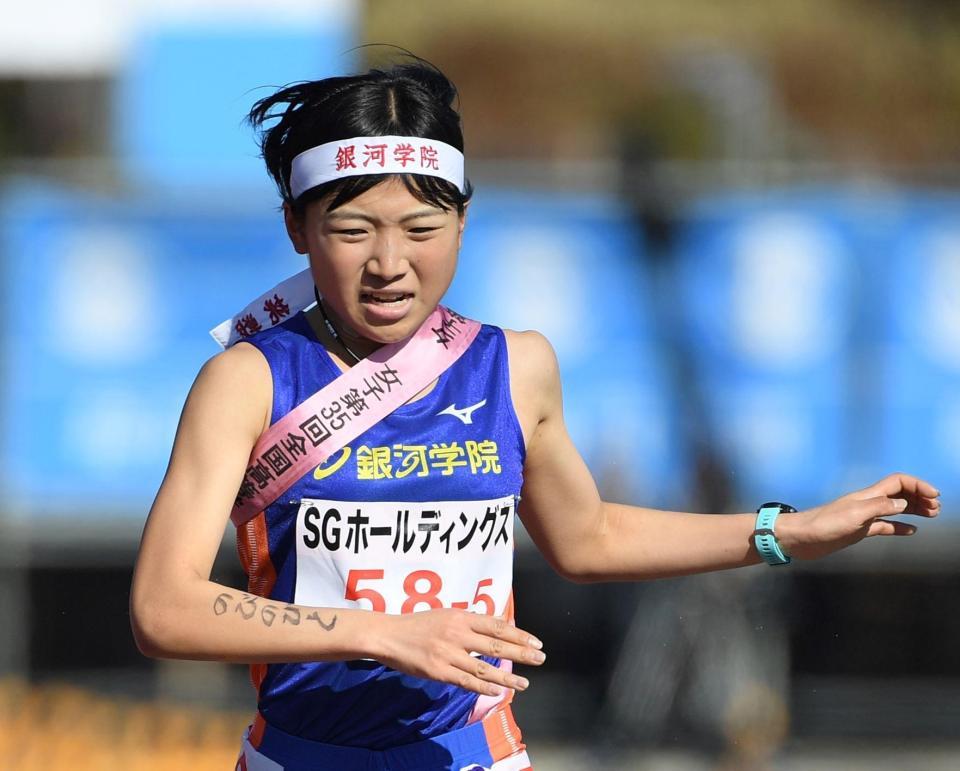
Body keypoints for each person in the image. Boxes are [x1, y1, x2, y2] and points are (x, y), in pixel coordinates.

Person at [130, 58, 940, 771]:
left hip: (474, 755)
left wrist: (784, 533)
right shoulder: (245, 381)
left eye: (421, 227)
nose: (389, 264)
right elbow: (163, 607)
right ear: (298, 229)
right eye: (351, 230)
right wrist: (381, 631)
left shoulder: (515, 366)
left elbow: (588, 537)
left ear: (463, 221)